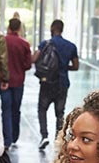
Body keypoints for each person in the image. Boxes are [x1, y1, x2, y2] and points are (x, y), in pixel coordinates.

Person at [33, 19, 79, 151]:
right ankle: (58, 139)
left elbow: (34, 59)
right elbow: (76, 66)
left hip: (47, 82)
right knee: (60, 113)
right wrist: (63, 68)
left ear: (52, 29)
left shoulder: (45, 44)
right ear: (62, 29)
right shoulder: (71, 46)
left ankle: (44, 136)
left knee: (42, 109)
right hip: (62, 83)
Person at [0, 16, 32, 148]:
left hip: (4, 80)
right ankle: (14, 136)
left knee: (6, 109)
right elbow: (28, 65)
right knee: (16, 108)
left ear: (8, 27)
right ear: (19, 28)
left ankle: (6, 138)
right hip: (19, 81)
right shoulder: (24, 44)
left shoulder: (3, 41)